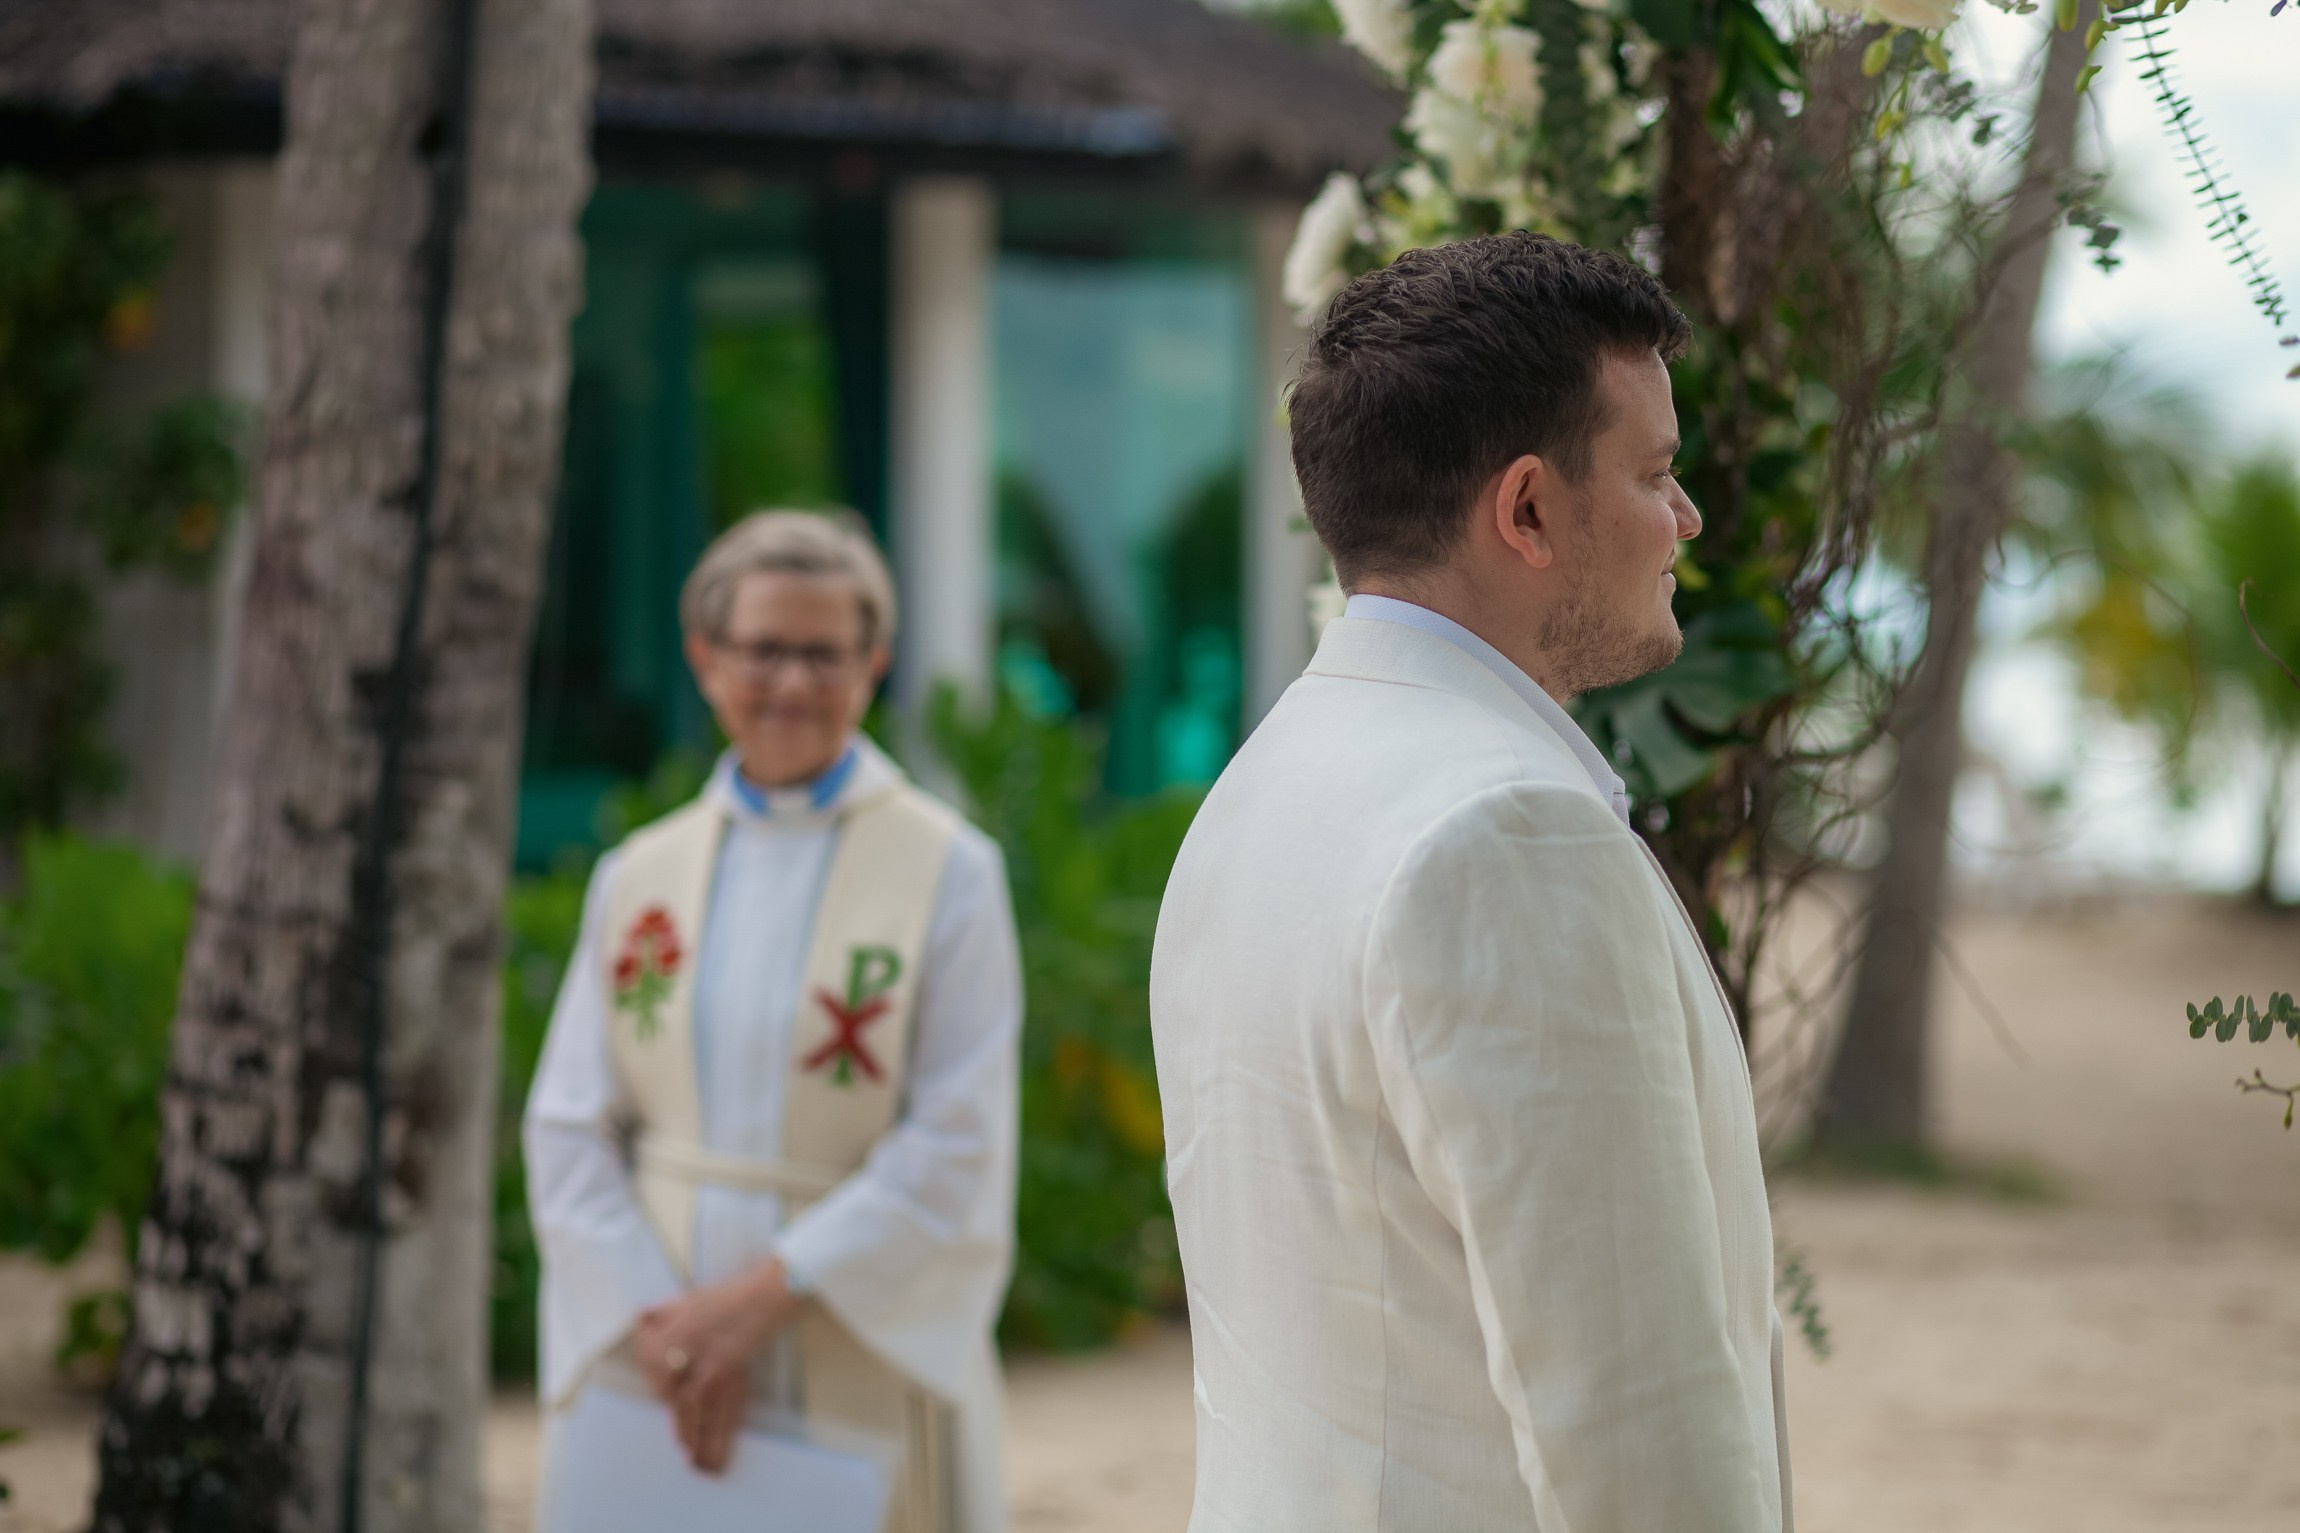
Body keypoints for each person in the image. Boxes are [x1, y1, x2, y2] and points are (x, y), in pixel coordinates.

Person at [1150, 232, 1792, 1531]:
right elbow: (1634, 1426)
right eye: (1657, 473)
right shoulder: (1508, 833)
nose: (1688, 517)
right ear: (1528, 511)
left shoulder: (1256, 791)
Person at [525, 511, 1021, 1533]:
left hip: (851, 1328)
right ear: (706, 660)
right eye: (762, 650)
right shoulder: (641, 876)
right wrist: (663, 1328)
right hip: (652, 1342)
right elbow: (570, 1125)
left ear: (872, 665)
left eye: (821, 653)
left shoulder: (948, 872)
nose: (790, 681)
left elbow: (957, 1139)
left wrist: (760, 1303)